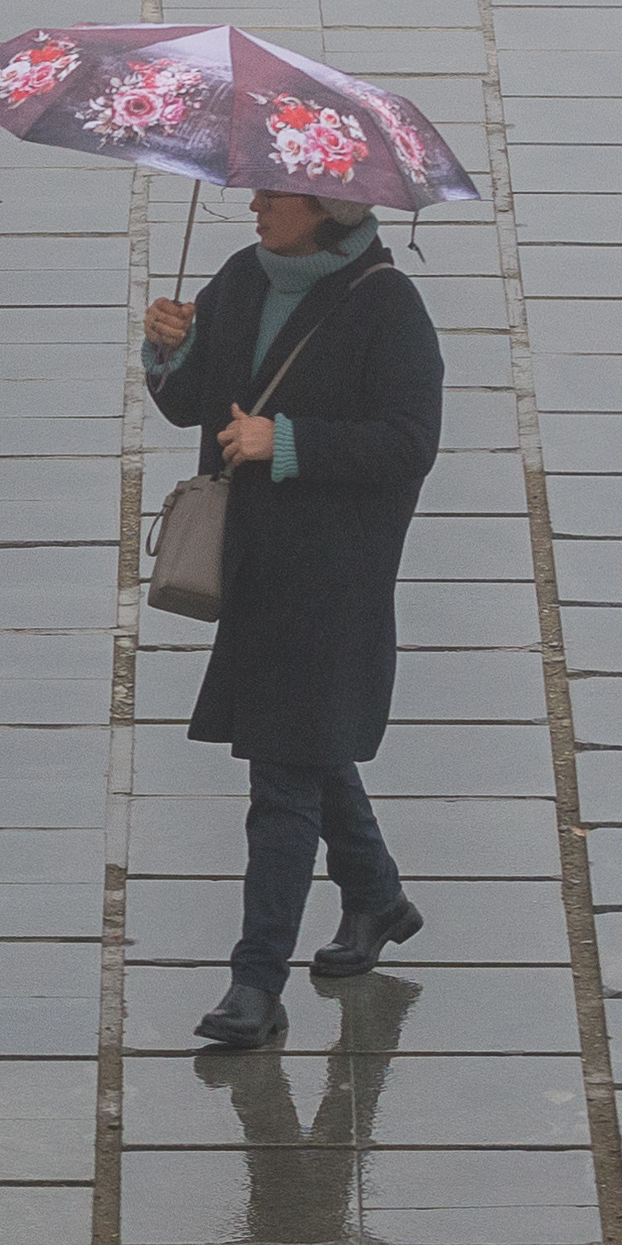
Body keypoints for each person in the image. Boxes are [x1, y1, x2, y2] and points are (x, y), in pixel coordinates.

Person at [143, 188, 444, 1049]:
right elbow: (189, 400)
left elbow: (410, 440)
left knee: (283, 778)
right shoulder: (243, 276)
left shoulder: (390, 308)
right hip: (252, 565)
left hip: (334, 579)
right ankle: (377, 897)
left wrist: (289, 443)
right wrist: (168, 348)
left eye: (276, 193)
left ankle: (255, 982)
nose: (255, 202)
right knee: (308, 747)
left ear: (330, 209)